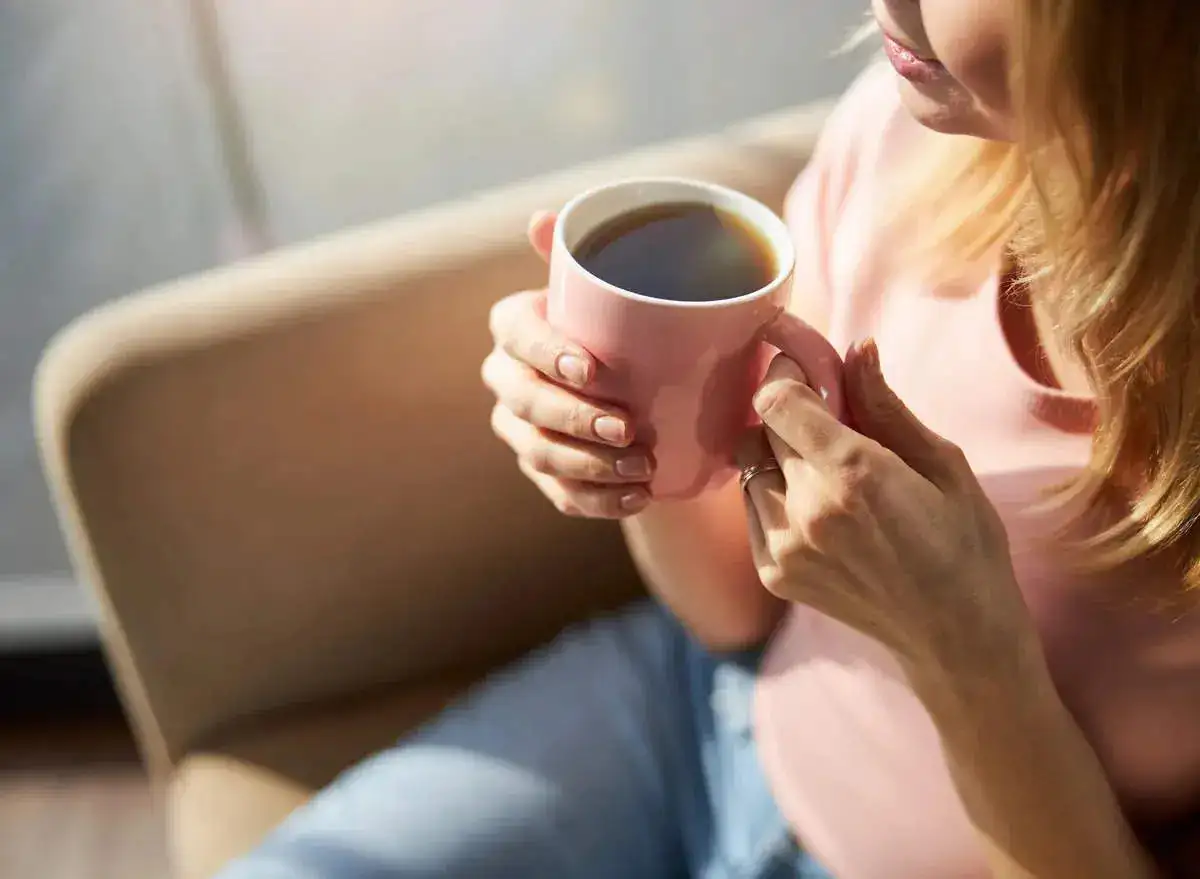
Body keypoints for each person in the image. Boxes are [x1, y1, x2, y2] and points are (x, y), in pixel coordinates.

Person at [218, 1, 1200, 876]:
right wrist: (627, 438)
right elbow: (729, 611)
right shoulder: (906, 133)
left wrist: (966, 651)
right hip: (705, 718)